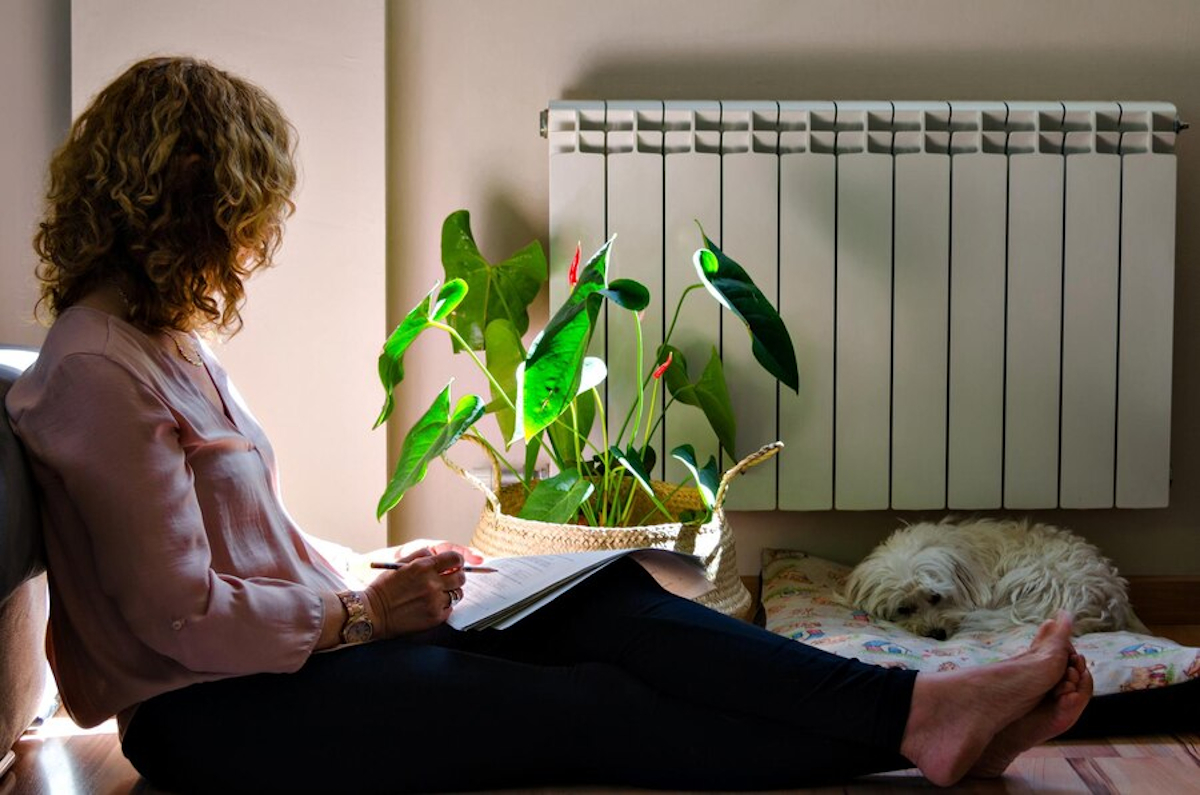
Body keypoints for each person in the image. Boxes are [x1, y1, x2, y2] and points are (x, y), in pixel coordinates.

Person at [5, 55, 1093, 794]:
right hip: (216, 721)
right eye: (250, 210)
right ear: (192, 195)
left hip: (281, 666)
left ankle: (918, 713)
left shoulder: (158, 345)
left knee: (599, 593)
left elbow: (248, 557)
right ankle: (915, 726)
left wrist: (380, 576)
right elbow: (182, 618)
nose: (256, 239)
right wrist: (365, 620)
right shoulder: (98, 372)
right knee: (582, 703)